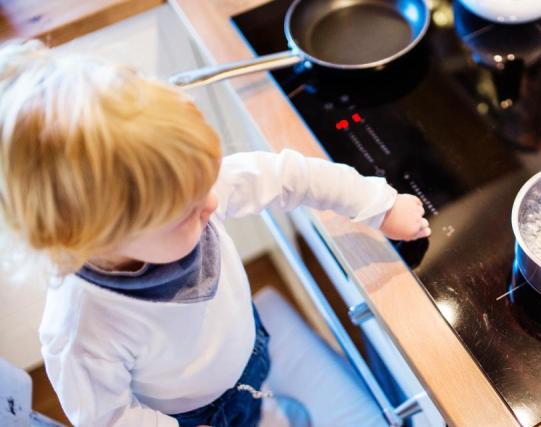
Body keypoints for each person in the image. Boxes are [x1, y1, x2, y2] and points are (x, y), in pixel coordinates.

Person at [0, 39, 431, 426]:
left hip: (247, 344)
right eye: (186, 213)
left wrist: (378, 204)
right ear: (93, 236)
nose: (211, 202)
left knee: (254, 400)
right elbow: (108, 418)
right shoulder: (81, 326)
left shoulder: (184, 191)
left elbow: (287, 175)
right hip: (194, 414)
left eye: (206, 181)